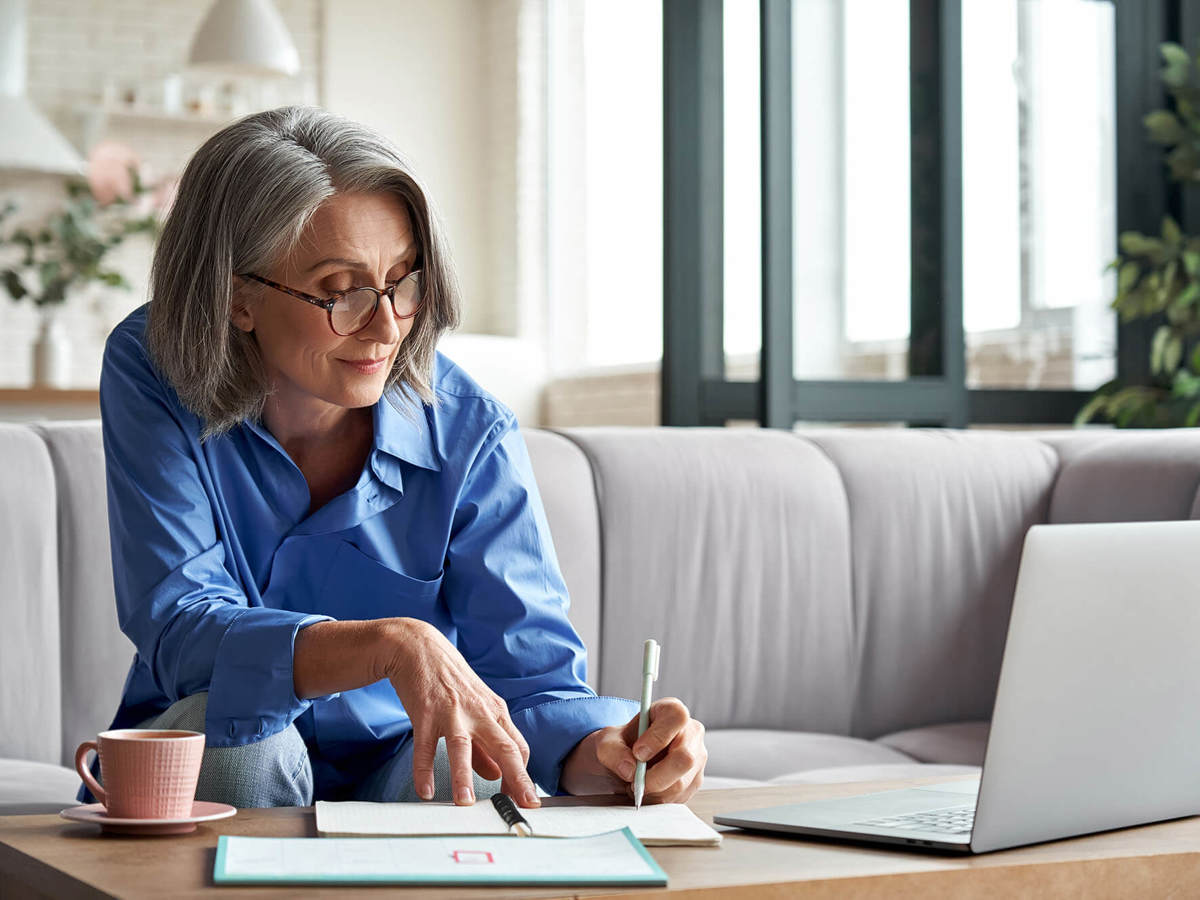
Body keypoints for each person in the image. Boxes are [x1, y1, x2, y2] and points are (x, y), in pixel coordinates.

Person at [83, 106, 706, 810]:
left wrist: (613, 754)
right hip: (223, 751)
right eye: (340, 290)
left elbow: (532, 686)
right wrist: (388, 643)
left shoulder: (472, 431)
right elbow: (181, 623)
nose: (386, 326)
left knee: (480, 759)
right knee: (244, 736)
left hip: (398, 762)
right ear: (238, 299)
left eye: (404, 280)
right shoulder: (154, 367)